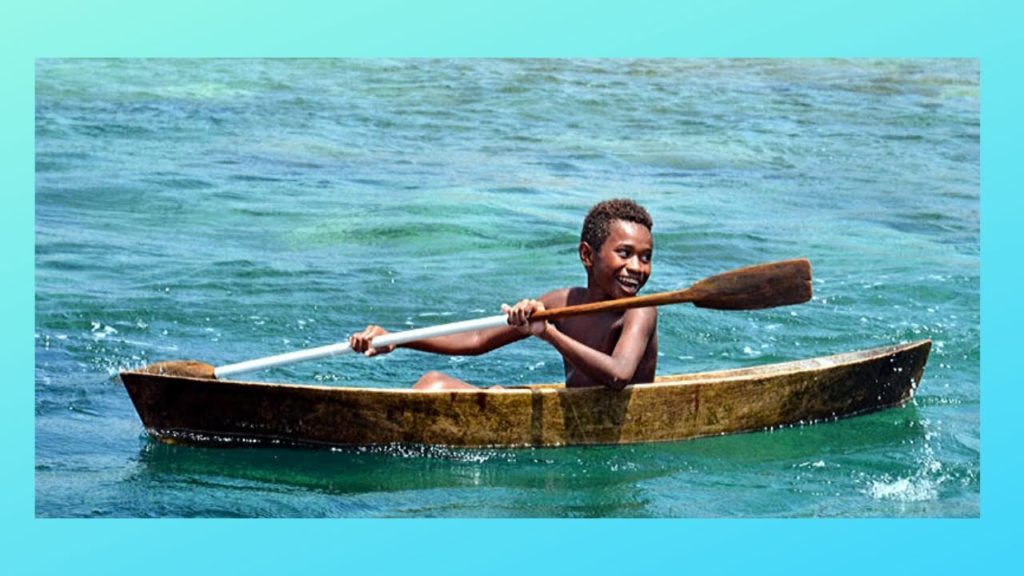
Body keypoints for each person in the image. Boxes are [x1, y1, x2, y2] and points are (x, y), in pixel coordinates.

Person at [349, 198, 657, 391]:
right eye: (625, 253)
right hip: (576, 414)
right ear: (587, 255)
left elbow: (618, 376)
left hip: (608, 423)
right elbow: (476, 341)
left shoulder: (641, 311)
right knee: (432, 382)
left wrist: (548, 334)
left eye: (645, 257)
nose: (637, 267)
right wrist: (397, 340)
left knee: (436, 388)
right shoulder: (561, 303)